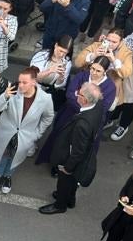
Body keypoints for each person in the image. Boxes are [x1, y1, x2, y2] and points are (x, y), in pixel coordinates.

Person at [40, 83, 106, 213]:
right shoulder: (98, 105)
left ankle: (60, 205)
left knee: (64, 181)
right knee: (73, 182)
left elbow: (77, 151)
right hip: (84, 155)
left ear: (85, 100)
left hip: (71, 159)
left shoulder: (82, 124)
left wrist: (67, 168)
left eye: (79, 94)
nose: (76, 94)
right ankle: (70, 199)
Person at [0, 67, 55, 195]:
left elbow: (48, 117)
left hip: (25, 136)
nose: (20, 85)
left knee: (15, 157)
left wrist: (37, 134)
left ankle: (7, 176)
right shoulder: (12, 91)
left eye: (24, 82)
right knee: (4, 155)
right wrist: (5, 96)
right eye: (19, 82)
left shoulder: (45, 99)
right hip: (6, 133)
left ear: (34, 82)